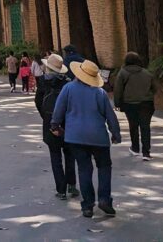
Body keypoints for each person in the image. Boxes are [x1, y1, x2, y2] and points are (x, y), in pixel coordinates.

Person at [51, 59, 122, 219]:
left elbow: (58, 109)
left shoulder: (68, 88)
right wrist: (115, 134)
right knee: (104, 167)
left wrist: (55, 125)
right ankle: (104, 199)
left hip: (75, 137)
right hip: (98, 137)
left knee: (84, 169)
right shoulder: (100, 93)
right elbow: (110, 115)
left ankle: (88, 205)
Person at [34, 53, 78, 201]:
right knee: (69, 154)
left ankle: (61, 189)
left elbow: (38, 101)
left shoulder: (42, 82)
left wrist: (46, 117)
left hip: (49, 121)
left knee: (55, 156)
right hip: (67, 122)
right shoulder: (67, 82)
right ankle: (72, 184)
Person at [114, 51, 158, 161]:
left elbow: (118, 90)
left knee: (133, 126)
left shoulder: (122, 73)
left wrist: (117, 103)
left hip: (130, 104)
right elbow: (155, 88)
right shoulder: (147, 73)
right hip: (146, 103)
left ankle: (135, 148)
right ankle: (146, 152)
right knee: (145, 127)